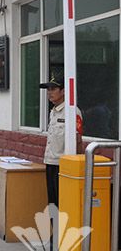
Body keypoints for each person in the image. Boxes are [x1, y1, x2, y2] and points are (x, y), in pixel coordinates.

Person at [40, 75, 83, 208]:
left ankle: (63, 222)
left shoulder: (71, 112)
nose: (49, 93)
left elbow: (78, 140)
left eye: (53, 89)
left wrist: (77, 165)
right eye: (48, 90)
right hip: (51, 162)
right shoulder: (53, 112)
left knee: (64, 202)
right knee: (52, 202)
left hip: (64, 165)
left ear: (63, 91)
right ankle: (54, 222)